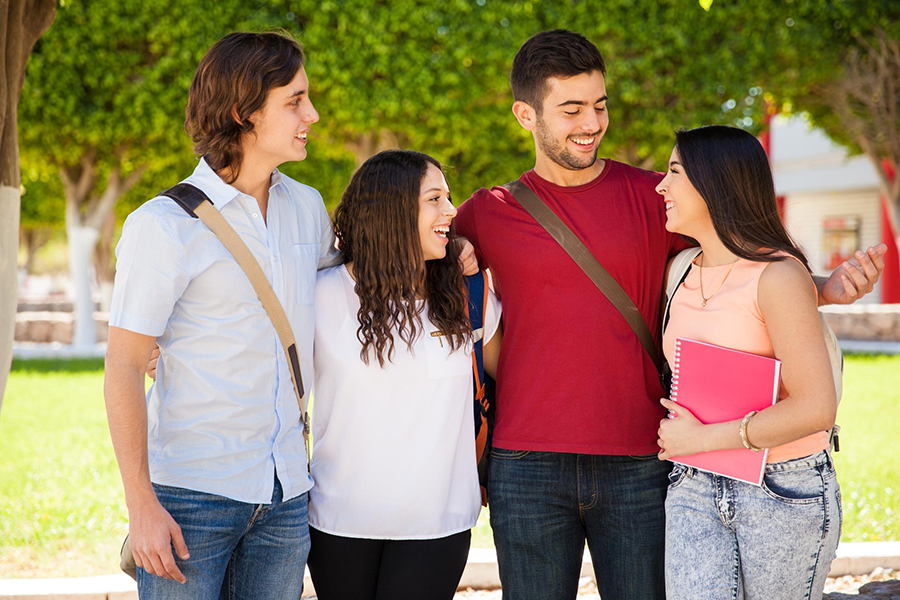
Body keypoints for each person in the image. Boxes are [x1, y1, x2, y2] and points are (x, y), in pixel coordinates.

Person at [452, 29, 885, 600]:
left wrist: (822, 289)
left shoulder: (655, 196)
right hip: (526, 464)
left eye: (600, 105)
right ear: (525, 114)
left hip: (644, 455)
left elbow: (735, 266)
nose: (591, 123)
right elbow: (410, 268)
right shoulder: (488, 212)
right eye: (572, 108)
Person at [104, 31, 339, 598]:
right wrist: (142, 508)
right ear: (243, 111)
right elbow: (122, 369)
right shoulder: (163, 226)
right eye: (294, 101)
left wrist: (453, 247)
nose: (312, 114)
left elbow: (356, 285)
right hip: (190, 498)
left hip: (286, 496)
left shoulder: (306, 207)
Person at [656, 125, 844, 599]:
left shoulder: (779, 276)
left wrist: (700, 438)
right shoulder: (678, 271)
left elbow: (816, 408)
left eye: (674, 171)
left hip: (782, 488)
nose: (661, 185)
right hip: (694, 483)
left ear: (713, 183)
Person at [305, 149, 502, 600]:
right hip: (339, 521)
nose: (452, 211)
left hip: (439, 522)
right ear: (392, 211)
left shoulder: (468, 294)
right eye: (435, 199)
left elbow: (513, 380)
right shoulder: (320, 295)